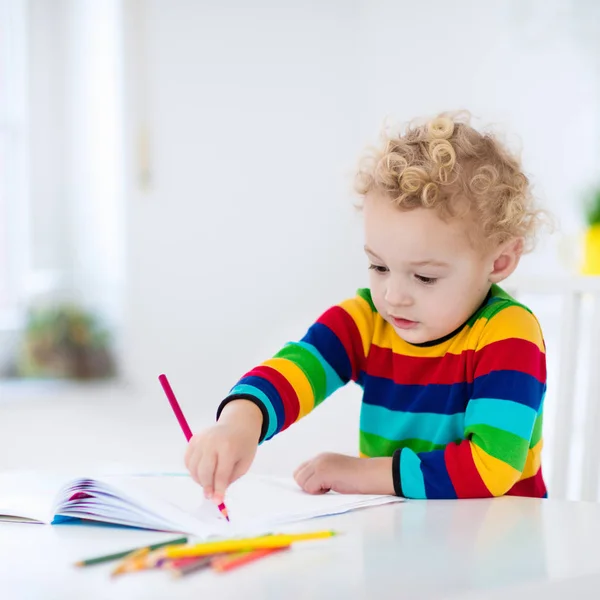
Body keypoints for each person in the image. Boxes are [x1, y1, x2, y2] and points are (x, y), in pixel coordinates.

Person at [185, 111, 549, 504]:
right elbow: (300, 364)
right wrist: (240, 421)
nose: (393, 296)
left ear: (498, 262)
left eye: (424, 277)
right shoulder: (369, 321)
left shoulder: (509, 333)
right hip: (399, 532)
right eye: (379, 266)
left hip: (503, 544)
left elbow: (489, 468)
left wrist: (356, 473)